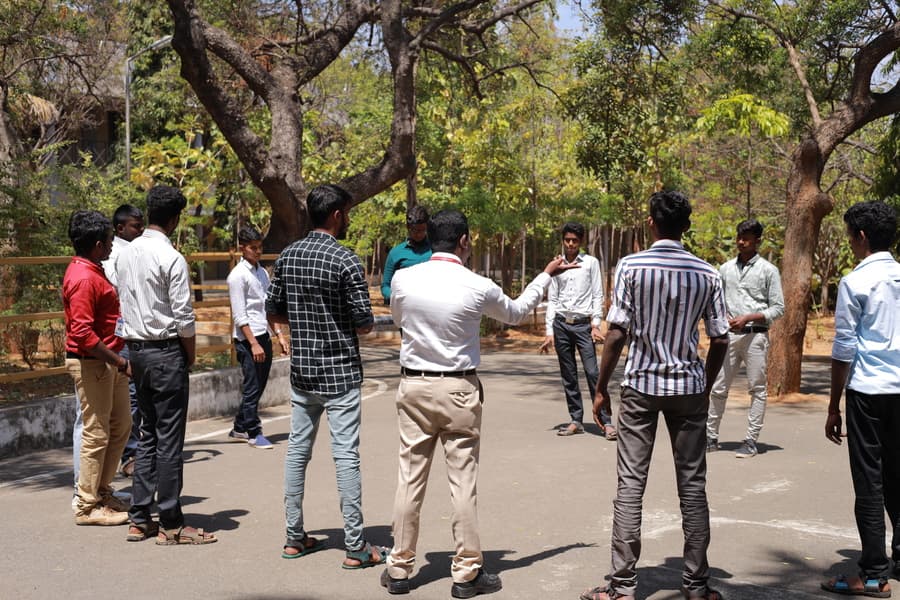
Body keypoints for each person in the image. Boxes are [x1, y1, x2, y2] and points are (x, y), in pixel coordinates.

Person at [381, 209, 577, 598]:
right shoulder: (476, 284)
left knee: (409, 478)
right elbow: (518, 313)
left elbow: (399, 319)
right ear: (464, 241)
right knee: (462, 482)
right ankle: (467, 572)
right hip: (458, 390)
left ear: (429, 237)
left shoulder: (404, 278)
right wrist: (545, 275)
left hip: (414, 386)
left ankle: (399, 568)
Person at [582, 190, 730, 600]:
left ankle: (622, 586)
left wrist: (600, 388)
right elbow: (720, 338)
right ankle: (697, 585)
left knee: (630, 484)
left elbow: (616, 333)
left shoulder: (632, 266)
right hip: (688, 389)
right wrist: (704, 383)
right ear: (686, 226)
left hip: (641, 388)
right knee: (693, 485)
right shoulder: (707, 273)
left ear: (651, 222)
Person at [266, 184, 381, 567]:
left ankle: (294, 537)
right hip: (341, 374)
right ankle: (355, 546)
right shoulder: (346, 260)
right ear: (335, 215)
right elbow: (364, 323)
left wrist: (304, 318)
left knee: (298, 453)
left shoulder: (288, 257)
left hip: (304, 373)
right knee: (345, 455)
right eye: (346, 213)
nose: (348, 219)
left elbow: (275, 311)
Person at [116, 185, 216, 545]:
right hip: (165, 352)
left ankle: (140, 517)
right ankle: (171, 521)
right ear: (174, 219)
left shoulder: (125, 254)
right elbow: (184, 318)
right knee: (169, 440)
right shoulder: (171, 257)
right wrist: (188, 354)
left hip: (136, 352)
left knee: (147, 438)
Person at [821, 201, 900, 598]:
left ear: (862, 237)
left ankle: (872, 573)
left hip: (869, 391)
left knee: (870, 482)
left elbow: (844, 349)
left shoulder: (855, 282)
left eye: (851, 235)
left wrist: (834, 405)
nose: (850, 243)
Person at [64, 210, 132, 526]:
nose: (110, 247)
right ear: (96, 245)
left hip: (108, 361)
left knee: (120, 427)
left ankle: (102, 491)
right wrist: (116, 360)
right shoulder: (82, 277)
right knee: (96, 433)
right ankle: (86, 506)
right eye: (107, 241)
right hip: (94, 363)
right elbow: (82, 333)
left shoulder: (94, 269)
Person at [705, 218, 784, 458]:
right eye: (739, 236)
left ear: (758, 240)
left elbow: (778, 308)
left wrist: (750, 317)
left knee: (757, 389)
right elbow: (716, 299)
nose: (741, 242)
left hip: (755, 337)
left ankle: (751, 440)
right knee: (718, 387)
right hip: (728, 337)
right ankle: (710, 436)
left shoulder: (769, 271)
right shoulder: (726, 269)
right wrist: (722, 316)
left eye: (747, 238)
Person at [539, 222, 614, 439]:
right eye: (567, 240)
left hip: (583, 325)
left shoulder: (590, 263)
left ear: (581, 242)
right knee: (569, 375)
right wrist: (549, 331)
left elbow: (597, 294)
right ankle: (576, 419)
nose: (570, 244)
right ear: (563, 240)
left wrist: (596, 324)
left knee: (593, 373)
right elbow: (552, 299)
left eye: (574, 240)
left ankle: (605, 421)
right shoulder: (556, 265)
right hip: (561, 324)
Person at [227, 225, 288, 449]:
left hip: (263, 334)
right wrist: (252, 343)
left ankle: (240, 426)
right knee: (252, 386)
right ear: (242, 248)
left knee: (260, 385)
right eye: (253, 248)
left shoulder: (261, 272)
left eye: (260, 247)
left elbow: (267, 307)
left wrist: (279, 335)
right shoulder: (237, 276)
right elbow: (240, 314)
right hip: (247, 340)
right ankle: (254, 432)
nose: (258, 252)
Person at [103, 204, 145, 477]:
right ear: (120, 228)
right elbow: (116, 292)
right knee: (130, 398)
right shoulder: (113, 254)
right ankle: (129, 454)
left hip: (137, 330)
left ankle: (135, 449)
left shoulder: (135, 251)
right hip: (122, 334)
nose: (140, 230)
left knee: (137, 396)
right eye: (135, 226)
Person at [380, 205, 431, 305]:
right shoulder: (396, 253)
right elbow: (385, 286)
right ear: (408, 227)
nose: (419, 234)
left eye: (422, 230)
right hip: (405, 307)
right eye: (415, 230)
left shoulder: (435, 249)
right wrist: (397, 297)